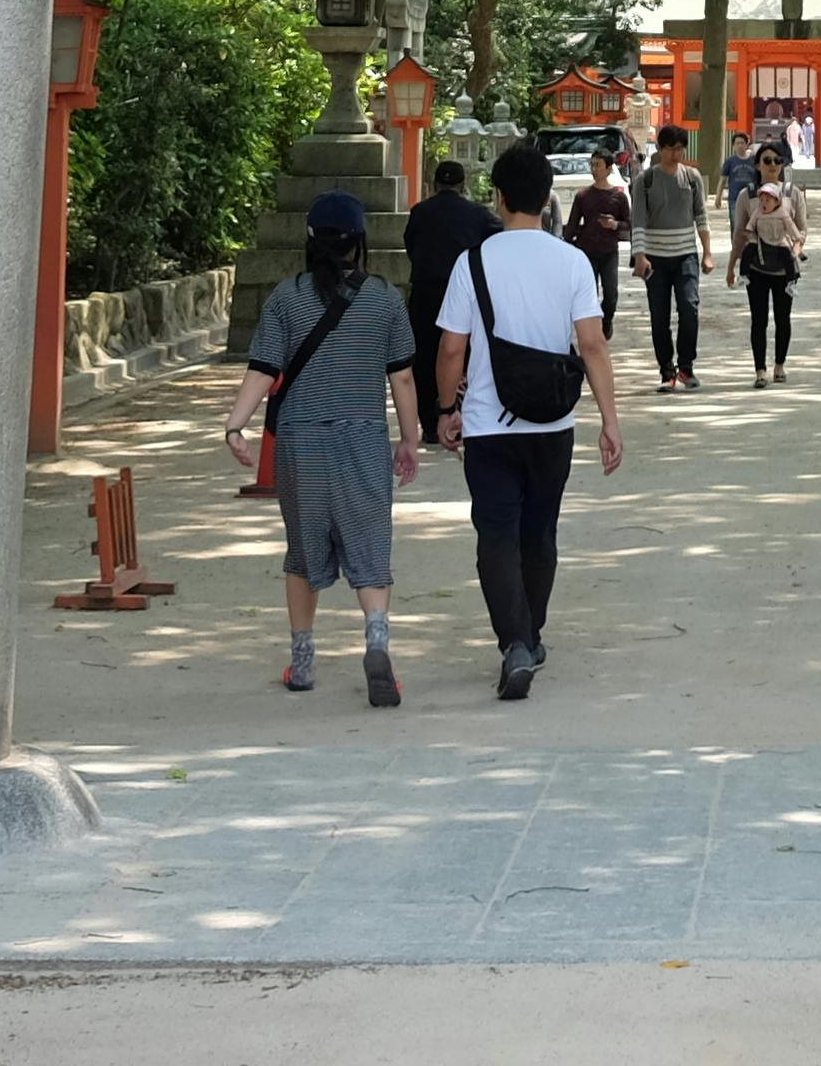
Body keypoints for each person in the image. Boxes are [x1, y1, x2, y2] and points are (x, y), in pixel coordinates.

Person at [434, 138, 622, 699]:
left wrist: (447, 410)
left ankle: (514, 639)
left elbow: (450, 350)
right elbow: (592, 346)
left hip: (490, 423)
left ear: (498, 197)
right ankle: (530, 634)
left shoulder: (473, 263)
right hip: (552, 424)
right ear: (546, 199)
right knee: (539, 531)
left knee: (495, 532)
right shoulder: (572, 262)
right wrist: (610, 421)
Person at [223, 191, 424, 704]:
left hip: (300, 441)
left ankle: (303, 660)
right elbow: (401, 377)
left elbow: (263, 369)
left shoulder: (285, 298)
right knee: (369, 543)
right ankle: (377, 635)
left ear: (309, 240)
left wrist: (235, 426)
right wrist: (409, 438)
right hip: (361, 437)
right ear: (359, 243)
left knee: (303, 550)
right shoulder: (383, 299)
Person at [401, 155, 492, 443]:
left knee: (426, 357)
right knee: (464, 355)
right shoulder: (478, 214)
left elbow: (411, 247)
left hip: (427, 293)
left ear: (434, 185)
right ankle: (461, 415)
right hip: (466, 294)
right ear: (463, 185)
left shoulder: (419, 212)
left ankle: (429, 423)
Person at [635, 122, 715, 391]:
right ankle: (666, 371)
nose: (676, 154)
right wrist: (640, 255)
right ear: (660, 149)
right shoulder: (645, 181)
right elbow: (638, 221)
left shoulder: (692, 178)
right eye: (671, 149)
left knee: (689, 308)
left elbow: (700, 216)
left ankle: (686, 366)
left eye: (680, 149)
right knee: (659, 315)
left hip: (686, 255)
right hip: (655, 257)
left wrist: (707, 252)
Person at [734, 146, 810, 385]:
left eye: (778, 160)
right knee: (759, 318)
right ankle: (759, 370)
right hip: (756, 266)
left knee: (783, 317)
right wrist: (731, 265)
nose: (773, 165)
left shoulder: (792, 193)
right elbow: (740, 232)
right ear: (757, 165)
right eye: (767, 160)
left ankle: (779, 365)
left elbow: (802, 230)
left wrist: (795, 253)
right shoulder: (747, 196)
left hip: (784, 266)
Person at [563, 144, 634, 305]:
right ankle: (594, 327)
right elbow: (572, 225)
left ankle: (606, 323)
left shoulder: (619, 197)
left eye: (598, 165)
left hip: (609, 252)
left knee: (611, 294)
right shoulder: (583, 196)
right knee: (589, 296)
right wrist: (566, 247)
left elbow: (629, 224)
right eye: (592, 165)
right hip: (587, 251)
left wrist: (614, 224)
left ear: (608, 169)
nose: (594, 169)